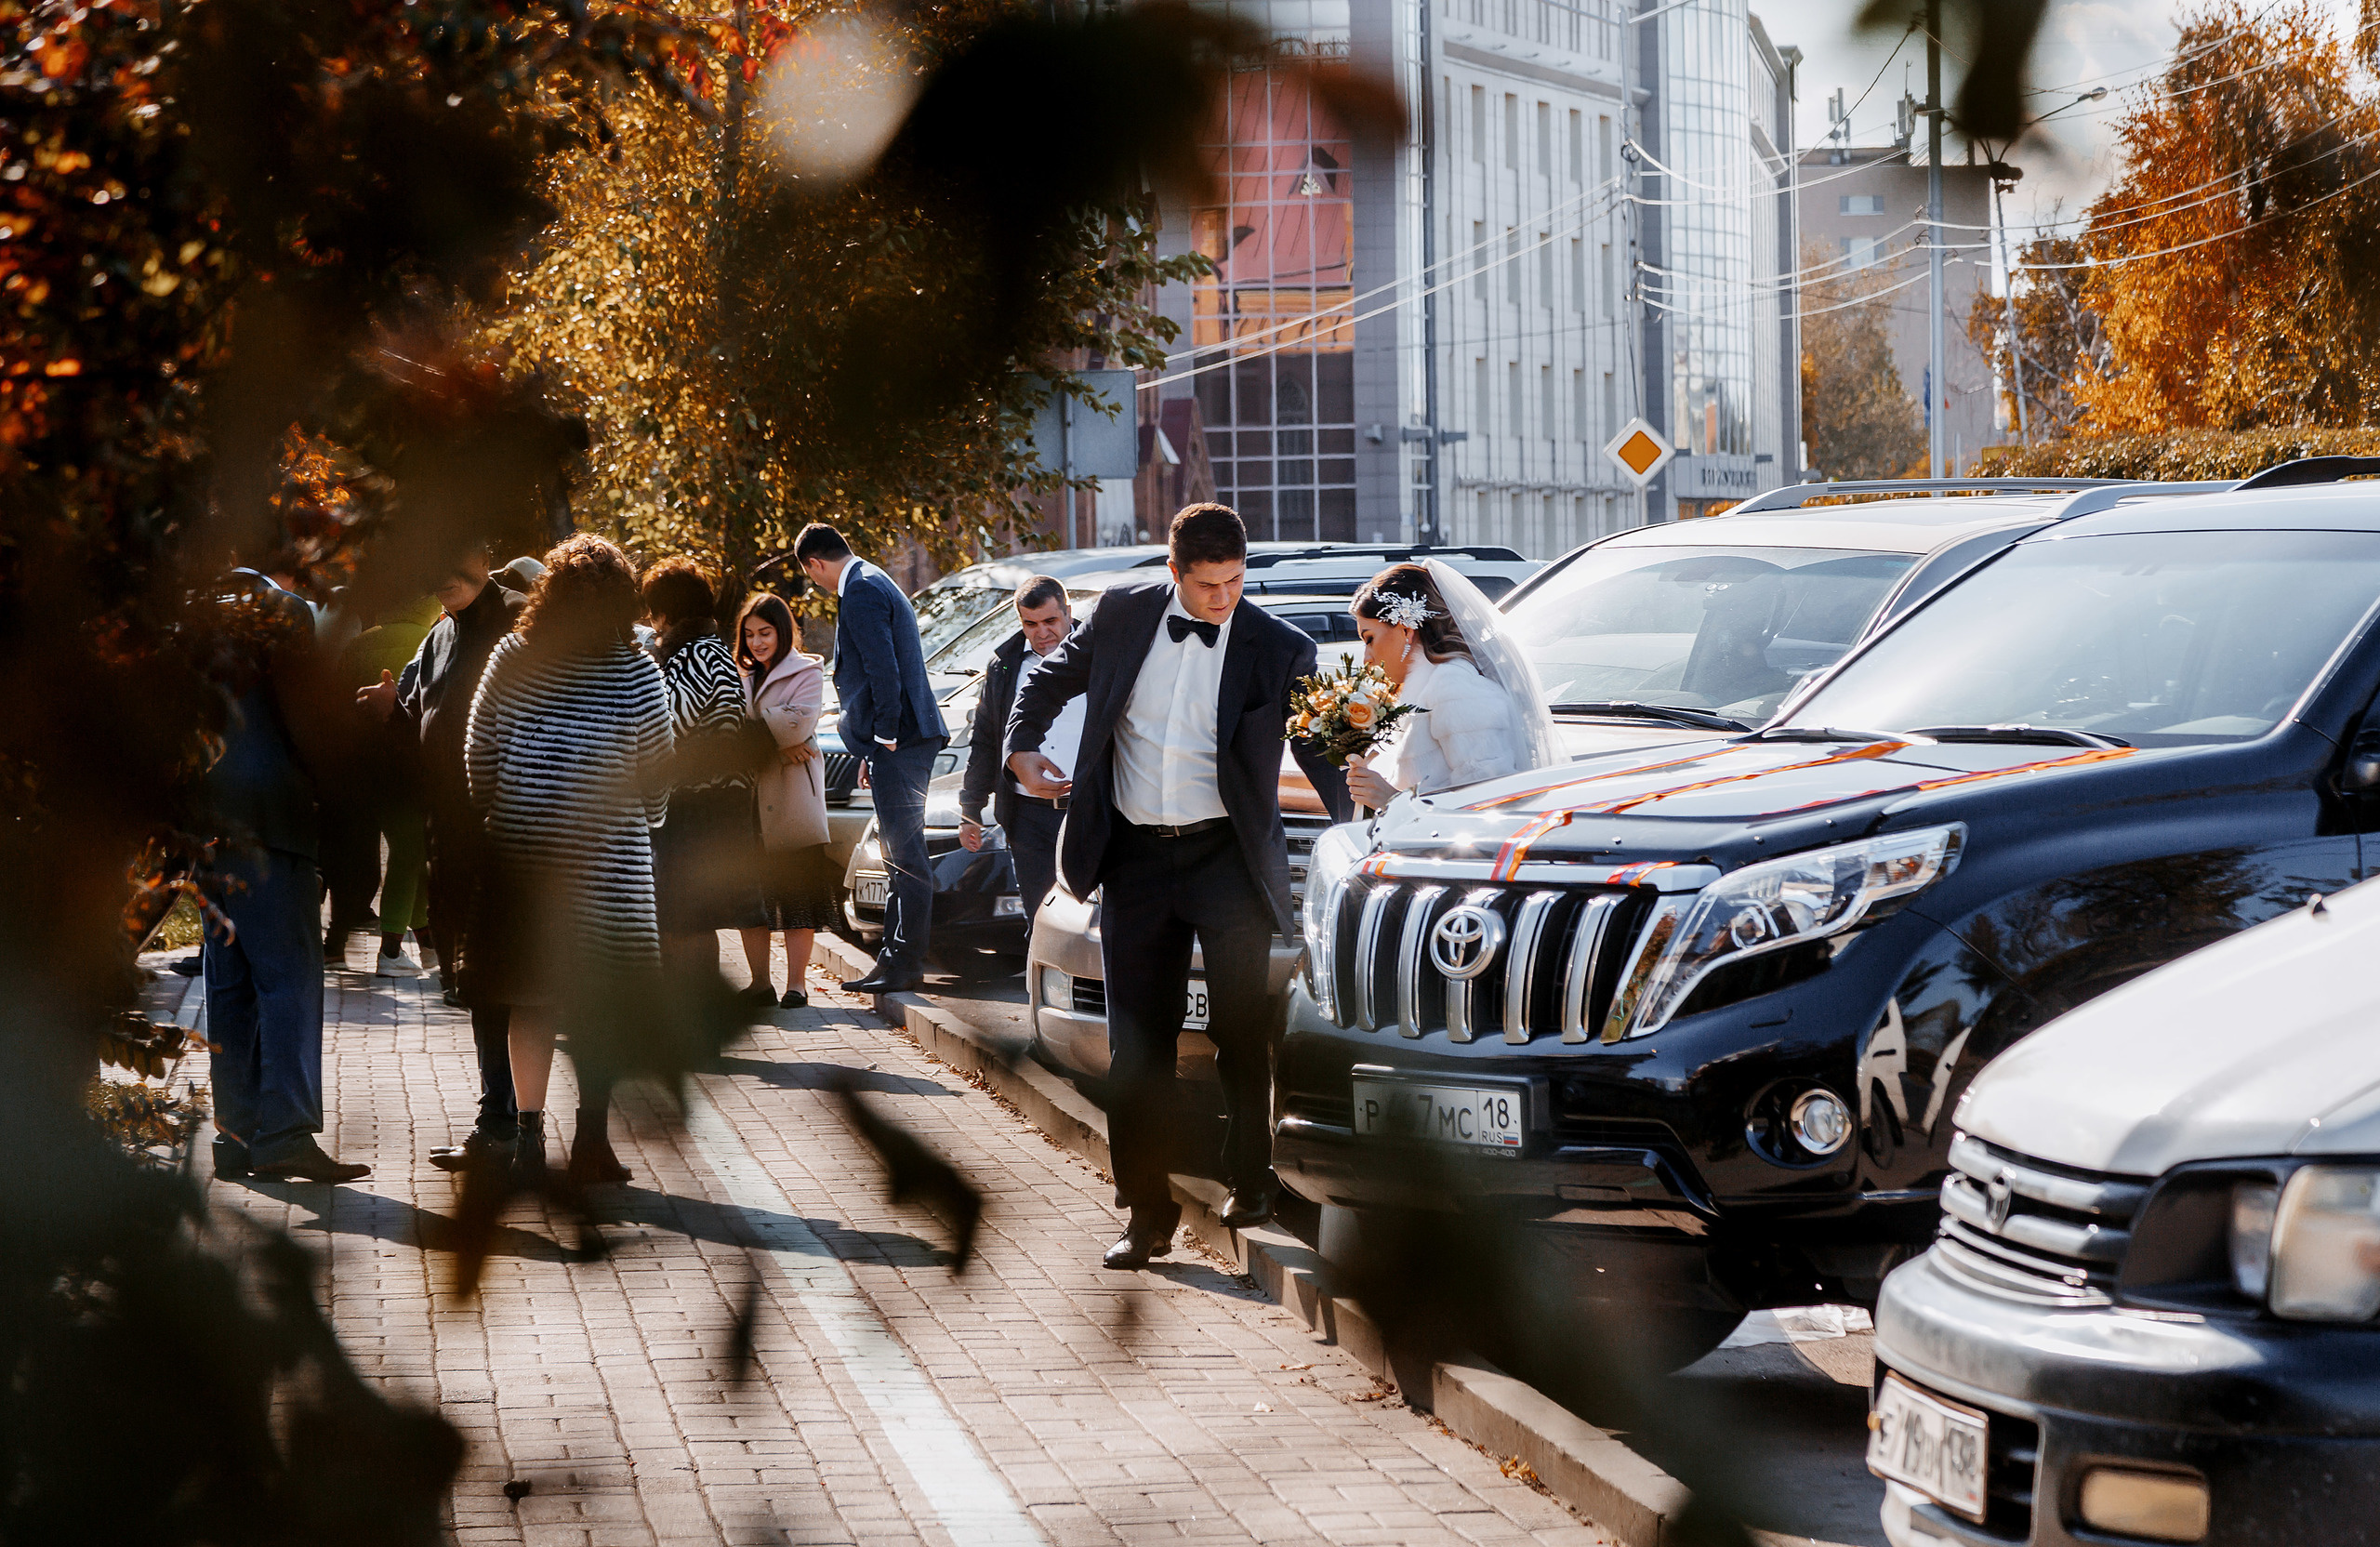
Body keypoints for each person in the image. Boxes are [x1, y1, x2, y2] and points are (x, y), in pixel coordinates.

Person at [1006, 503, 1350, 1270]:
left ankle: (1250, 1179)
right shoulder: (1124, 615)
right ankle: (1145, 1215)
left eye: (1234, 581)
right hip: (1130, 857)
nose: (1223, 600)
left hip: (1227, 859)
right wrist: (1020, 748)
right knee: (1138, 1048)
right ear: (1173, 573)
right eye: (1206, 586)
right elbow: (1049, 678)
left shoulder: (1278, 646)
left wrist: (1359, 814)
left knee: (1237, 1034)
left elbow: (1324, 747)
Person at [464, 535, 672, 1183]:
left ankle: (528, 1141)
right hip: (609, 861)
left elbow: (478, 754)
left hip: (525, 857)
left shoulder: (512, 654)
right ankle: (592, 1143)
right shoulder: (636, 668)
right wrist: (650, 820)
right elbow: (659, 774)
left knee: (531, 997)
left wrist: (503, 807)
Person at [198, 571, 371, 1183]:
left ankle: (234, 1136)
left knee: (230, 987)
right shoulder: (286, 610)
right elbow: (307, 722)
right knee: (288, 982)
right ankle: (287, 1133)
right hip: (274, 818)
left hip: (208, 821)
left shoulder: (192, 609)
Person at [360, 549, 528, 1171]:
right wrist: (390, 713)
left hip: (513, 836)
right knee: (481, 988)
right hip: (450, 841)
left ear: (483, 557)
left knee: (524, 987)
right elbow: (416, 726)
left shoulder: (520, 621)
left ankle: (524, 1129)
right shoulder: (435, 638)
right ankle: (500, 1123)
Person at [796, 523, 946, 995]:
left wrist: (883, 738)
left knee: (905, 857)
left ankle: (904, 963)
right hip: (898, 742)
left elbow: (885, 669)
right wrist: (871, 750)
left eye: (811, 576)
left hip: (900, 740)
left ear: (815, 564)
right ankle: (895, 960)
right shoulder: (872, 578)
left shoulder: (858, 589)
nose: (816, 585)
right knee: (900, 855)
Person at [1340, 560, 1565, 808]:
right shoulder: (1428, 688)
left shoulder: (1455, 689)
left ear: (1406, 631)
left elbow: (1493, 803)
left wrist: (1391, 801)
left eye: (1369, 639)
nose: (1366, 658)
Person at [642, 559, 768, 991]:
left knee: (684, 915)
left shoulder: (693, 655)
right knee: (691, 914)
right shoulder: (710, 649)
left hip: (697, 801)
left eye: (653, 608)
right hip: (718, 799)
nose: (649, 619)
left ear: (667, 610)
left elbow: (669, 725)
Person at [735, 590, 838, 1009]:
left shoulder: (807, 671)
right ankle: (760, 983)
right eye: (749, 634)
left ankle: (797, 985)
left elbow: (799, 723)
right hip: (750, 800)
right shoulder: (737, 673)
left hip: (793, 799)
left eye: (765, 633)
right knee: (752, 898)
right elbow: (728, 735)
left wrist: (768, 739)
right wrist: (776, 745)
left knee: (798, 896)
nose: (757, 642)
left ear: (782, 631)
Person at [958, 575, 1077, 932]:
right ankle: (1040, 989)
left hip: (1088, 811)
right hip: (1028, 817)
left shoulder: (1101, 651)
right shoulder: (1005, 665)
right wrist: (970, 810)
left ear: (1068, 613)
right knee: (1040, 922)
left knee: (1094, 922)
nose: (1041, 632)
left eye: (1050, 621)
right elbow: (986, 741)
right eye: (1030, 623)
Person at [340, 594, 442, 975]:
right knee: (410, 852)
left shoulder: (360, 642)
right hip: (412, 767)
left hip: (366, 769)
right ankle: (392, 950)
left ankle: (426, 940)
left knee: (411, 853)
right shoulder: (433, 638)